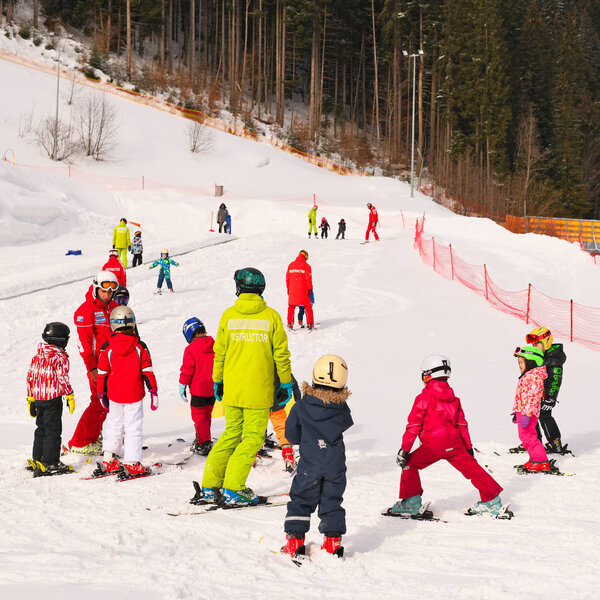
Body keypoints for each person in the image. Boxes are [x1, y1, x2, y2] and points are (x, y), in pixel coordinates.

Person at [200, 267, 293, 505]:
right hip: (258, 391)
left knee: (232, 433)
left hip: (233, 388)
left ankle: (211, 485)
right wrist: (285, 383)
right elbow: (281, 354)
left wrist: (217, 380)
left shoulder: (228, 316)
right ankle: (233, 488)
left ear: (239, 288)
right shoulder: (270, 316)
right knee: (252, 438)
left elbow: (219, 353)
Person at [390, 355, 505, 517]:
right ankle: (492, 502)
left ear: (428, 375)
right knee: (474, 469)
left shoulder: (423, 398)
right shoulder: (454, 400)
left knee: (409, 464)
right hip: (455, 445)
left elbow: (413, 426)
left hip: (432, 447)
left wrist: (404, 450)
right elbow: (462, 425)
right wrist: (468, 448)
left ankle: (411, 503)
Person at [281, 355, 353, 560]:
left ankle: (295, 542)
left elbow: (291, 435)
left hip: (310, 464)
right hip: (335, 464)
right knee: (332, 500)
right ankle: (333, 543)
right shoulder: (341, 408)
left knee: (301, 499)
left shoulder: (302, 407)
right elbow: (345, 423)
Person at [95, 306, 158, 479]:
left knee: (114, 425)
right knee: (133, 428)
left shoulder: (107, 348)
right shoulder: (139, 346)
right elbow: (147, 370)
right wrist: (153, 391)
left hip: (114, 395)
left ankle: (108, 459)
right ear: (132, 323)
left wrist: (101, 393)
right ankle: (132, 463)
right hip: (134, 395)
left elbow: (102, 373)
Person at [68, 271, 118, 454]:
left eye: (111, 291)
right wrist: (92, 368)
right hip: (97, 365)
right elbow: (84, 344)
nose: (107, 295)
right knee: (98, 402)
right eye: (104, 291)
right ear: (96, 288)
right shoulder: (86, 310)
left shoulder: (113, 307)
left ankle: (92, 438)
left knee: (108, 403)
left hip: (115, 364)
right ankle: (79, 442)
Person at [26, 322, 75, 476]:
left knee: (41, 428)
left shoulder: (37, 356)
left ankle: (38, 458)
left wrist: (31, 398)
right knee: (53, 431)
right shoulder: (59, 357)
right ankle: (50, 462)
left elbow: (30, 377)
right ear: (61, 340)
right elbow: (62, 377)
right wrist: (69, 394)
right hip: (53, 399)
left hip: (39, 398)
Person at [527, 327, 568, 454]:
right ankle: (534, 441)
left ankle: (555, 443)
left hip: (546, 396)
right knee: (531, 415)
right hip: (537, 392)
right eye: (533, 344)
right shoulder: (542, 355)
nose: (534, 347)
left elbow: (555, 381)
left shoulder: (554, 359)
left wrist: (550, 399)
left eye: (536, 344)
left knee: (544, 415)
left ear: (546, 342)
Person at [179, 317, 215, 456]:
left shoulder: (191, 349)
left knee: (199, 417)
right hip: (213, 389)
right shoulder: (214, 344)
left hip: (199, 389)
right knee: (207, 415)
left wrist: (182, 384)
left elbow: (187, 369)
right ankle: (204, 438)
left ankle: (203, 443)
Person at [511, 345, 550, 472]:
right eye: (519, 363)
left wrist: (527, 414)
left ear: (531, 362)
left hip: (528, 413)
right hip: (522, 412)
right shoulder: (528, 375)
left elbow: (533, 397)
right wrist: (516, 412)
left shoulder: (534, 377)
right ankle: (534, 458)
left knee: (530, 437)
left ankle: (541, 461)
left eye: (522, 362)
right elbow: (522, 396)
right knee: (524, 437)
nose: (520, 365)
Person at [268, 371, 302, 472]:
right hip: (274, 396)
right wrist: (294, 384)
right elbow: (283, 367)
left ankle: (252, 453)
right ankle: (288, 455)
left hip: (254, 397)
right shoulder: (274, 354)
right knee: (281, 426)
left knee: (254, 428)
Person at [286, 250, 314, 330]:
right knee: (308, 306)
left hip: (292, 290)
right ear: (305, 256)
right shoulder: (307, 266)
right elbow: (308, 279)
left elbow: (287, 278)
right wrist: (310, 289)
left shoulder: (291, 265)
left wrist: (288, 288)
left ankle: (290, 323)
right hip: (303, 290)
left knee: (291, 307)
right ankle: (310, 324)